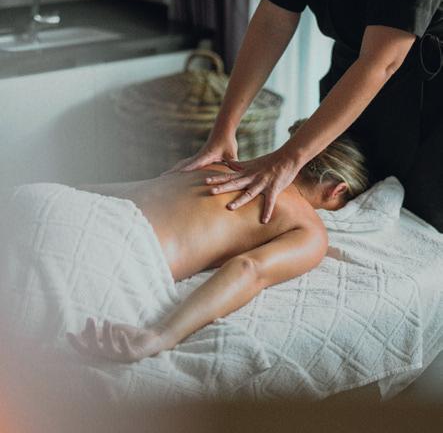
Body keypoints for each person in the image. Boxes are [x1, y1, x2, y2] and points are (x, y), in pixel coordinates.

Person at [67, 125, 369, 363]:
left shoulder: (225, 165)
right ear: (337, 190)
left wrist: (67, 191)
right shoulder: (309, 228)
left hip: (73, 204)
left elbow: (139, 189)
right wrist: (161, 335)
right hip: (113, 250)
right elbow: (249, 270)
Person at [166, 0, 443, 232]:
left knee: (419, 225)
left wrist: (288, 158)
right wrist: (224, 130)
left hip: (428, 100)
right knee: (340, 209)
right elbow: (274, 18)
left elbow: (381, 62)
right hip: (353, 73)